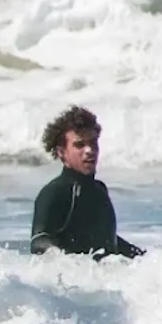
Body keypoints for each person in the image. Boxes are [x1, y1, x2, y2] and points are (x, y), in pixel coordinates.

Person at [29, 105, 143, 259]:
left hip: (106, 280)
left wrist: (146, 260)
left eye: (93, 143)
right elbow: (38, 242)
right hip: (74, 281)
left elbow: (107, 241)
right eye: (79, 145)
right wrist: (71, 264)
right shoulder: (54, 192)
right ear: (61, 152)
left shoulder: (99, 189)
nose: (90, 150)